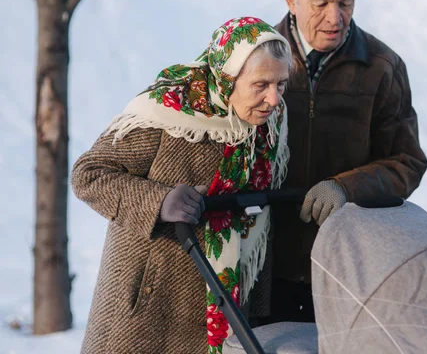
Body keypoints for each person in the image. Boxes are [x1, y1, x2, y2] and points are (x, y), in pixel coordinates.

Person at [71, 17, 293, 354]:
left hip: (222, 307)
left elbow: (260, 218)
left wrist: (256, 312)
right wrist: (158, 201)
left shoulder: (267, 126)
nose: (274, 99)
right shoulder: (167, 113)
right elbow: (89, 173)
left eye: (281, 84)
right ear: (227, 77)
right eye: (261, 84)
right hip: (146, 307)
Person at [266, 0, 427, 323]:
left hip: (347, 268)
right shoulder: (256, 59)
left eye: (346, 2)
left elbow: (407, 162)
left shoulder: (382, 66)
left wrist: (345, 188)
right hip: (264, 267)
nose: (334, 18)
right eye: (320, 2)